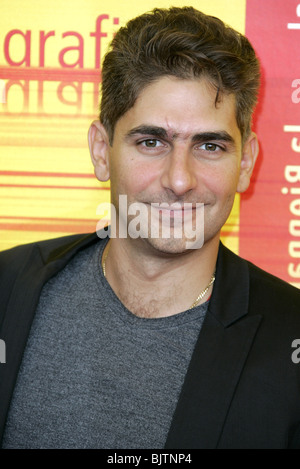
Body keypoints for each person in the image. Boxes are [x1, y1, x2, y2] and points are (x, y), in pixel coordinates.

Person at [0, 6, 300, 450]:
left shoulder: (290, 337)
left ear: (247, 163)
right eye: (151, 142)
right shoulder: (6, 286)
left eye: (210, 145)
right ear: (102, 151)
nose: (180, 180)